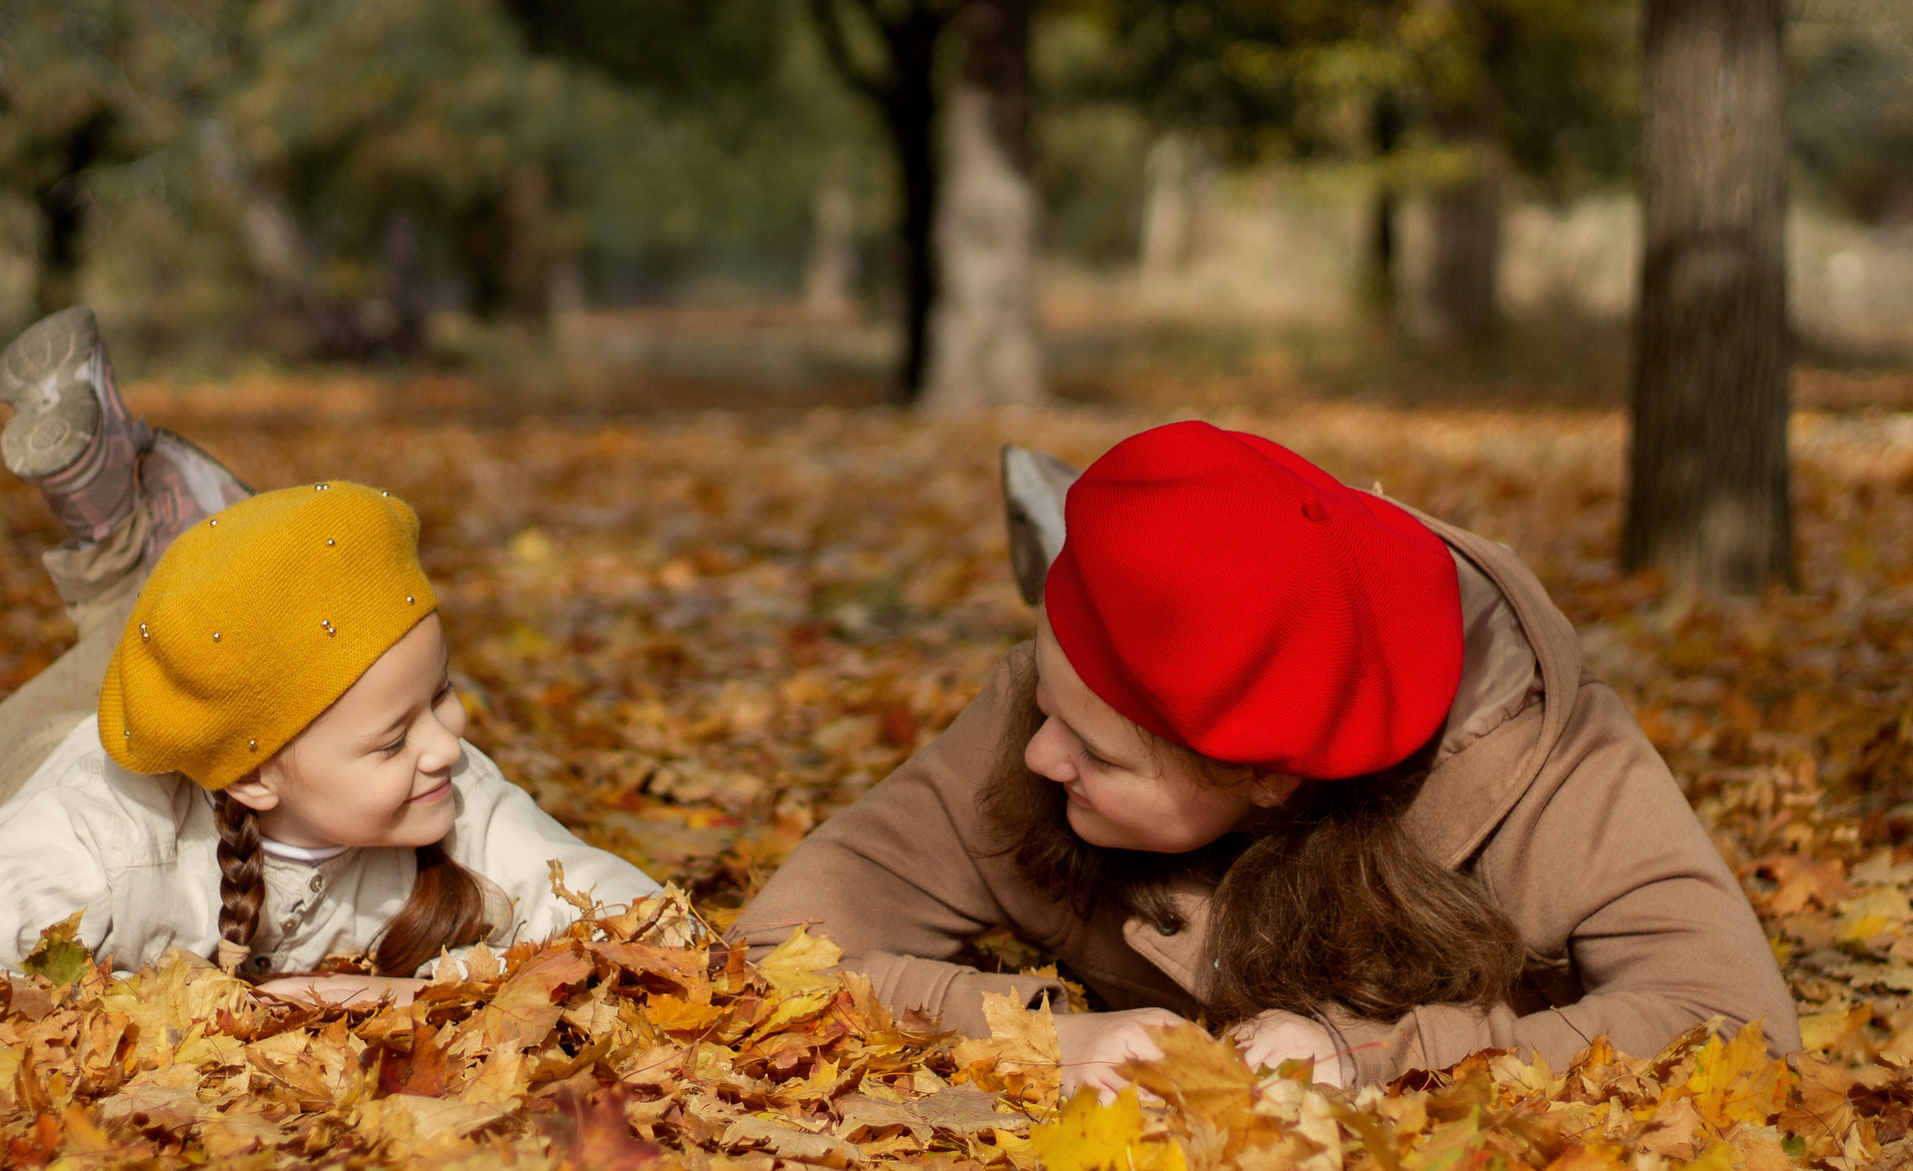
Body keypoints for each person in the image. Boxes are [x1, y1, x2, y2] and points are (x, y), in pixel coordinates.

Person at [732, 421, 1798, 1096]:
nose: (1043, 754)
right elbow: (772, 951)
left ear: (1269, 778)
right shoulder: (1041, 720)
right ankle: (1080, 524)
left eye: (1100, 754)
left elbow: (1732, 1018)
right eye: (1047, 699)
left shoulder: (1545, 754)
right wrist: (1034, 1038)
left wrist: (1379, 1059)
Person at [0, 308, 657, 1013]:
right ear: (259, 774)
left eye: (439, 695)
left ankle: (172, 561)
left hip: (217, 715)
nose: (448, 740)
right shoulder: (103, 836)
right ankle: (155, 562)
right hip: (30, 775)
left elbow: (655, 932)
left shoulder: (444, 785)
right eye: (393, 736)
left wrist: (412, 995)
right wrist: (192, 1007)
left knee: (192, 649)